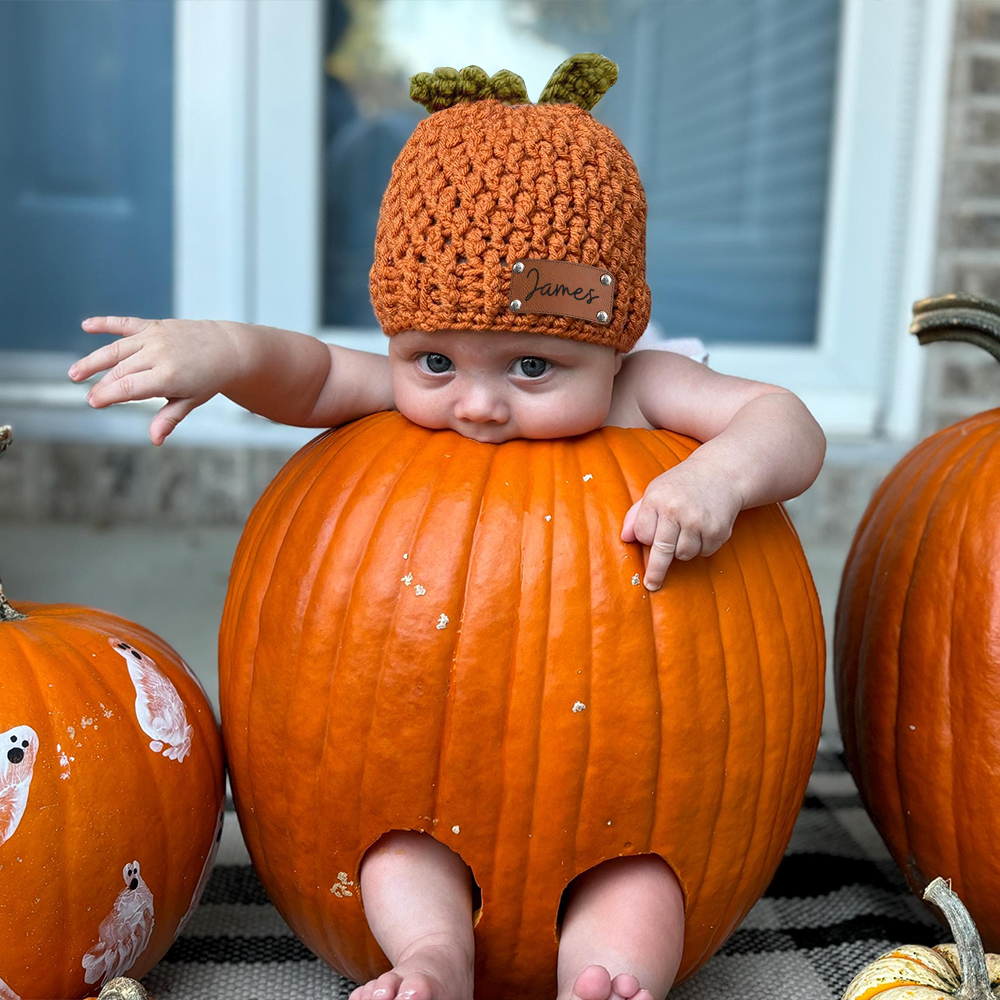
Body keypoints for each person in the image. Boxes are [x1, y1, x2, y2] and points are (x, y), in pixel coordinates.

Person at [68, 54, 826, 1000]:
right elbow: (303, 376)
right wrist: (222, 351)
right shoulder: (395, 406)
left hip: (627, 781)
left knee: (638, 880)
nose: (476, 402)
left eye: (532, 368)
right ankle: (431, 960)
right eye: (433, 360)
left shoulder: (648, 394)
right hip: (429, 771)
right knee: (396, 857)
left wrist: (719, 476)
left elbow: (788, 424)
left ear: (612, 336)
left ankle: (614, 977)